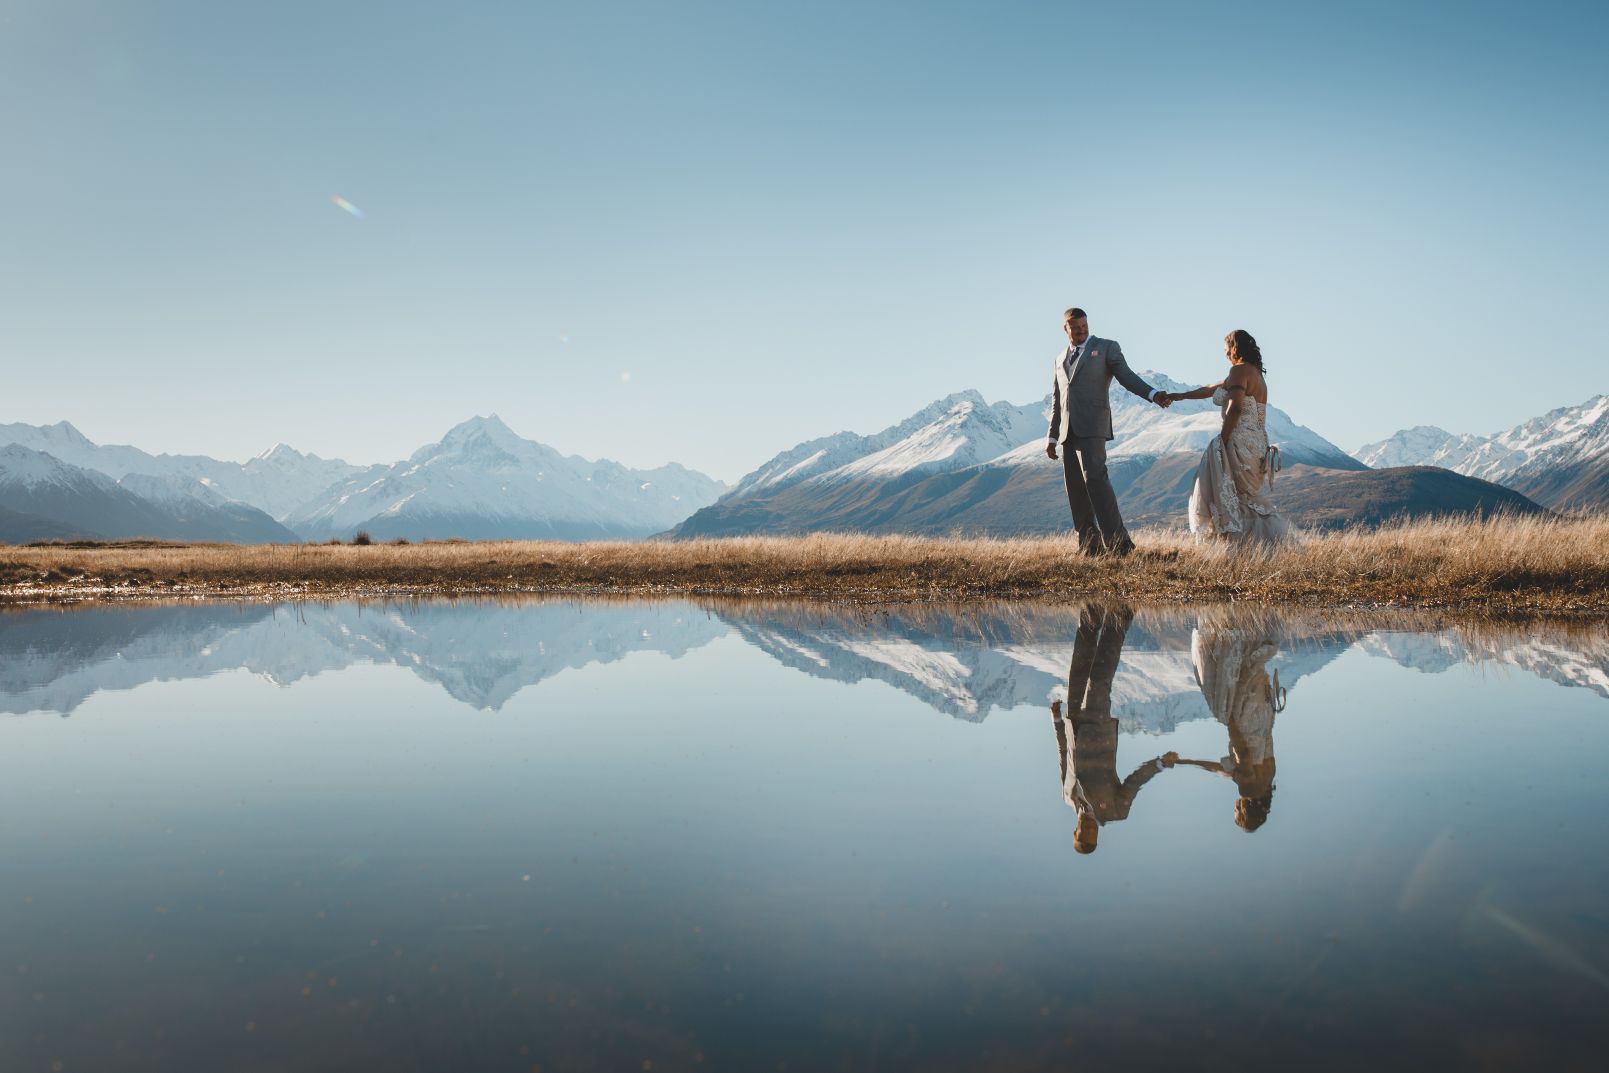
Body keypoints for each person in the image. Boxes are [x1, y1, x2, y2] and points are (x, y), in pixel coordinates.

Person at [1049, 605, 1178, 854]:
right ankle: (1121, 611)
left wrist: (1056, 721)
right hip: (1098, 727)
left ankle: (1093, 609)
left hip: (1073, 723)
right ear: (1097, 836)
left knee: (1079, 666)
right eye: (1092, 836)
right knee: (1099, 678)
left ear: (1075, 831)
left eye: (1082, 834)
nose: (1088, 831)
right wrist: (1160, 763)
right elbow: (1135, 781)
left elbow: (1063, 757)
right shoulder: (1117, 811)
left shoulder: (1068, 798)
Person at [1046, 308, 1172, 556]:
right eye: (1076, 327)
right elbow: (1057, 399)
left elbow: (1126, 376)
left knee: (1096, 480)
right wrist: (1052, 436)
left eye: (1084, 326)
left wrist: (1153, 394)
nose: (1081, 330)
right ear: (1065, 329)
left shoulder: (1106, 348)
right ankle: (1089, 547)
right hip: (1067, 433)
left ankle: (1119, 544)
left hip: (1093, 425)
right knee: (1075, 488)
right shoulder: (1059, 359)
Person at [1158, 329, 1297, 547]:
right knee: (1244, 497)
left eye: (1226, 349)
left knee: (1234, 494)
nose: (1225, 354)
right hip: (1258, 443)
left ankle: (1244, 548)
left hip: (1239, 441)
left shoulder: (1239, 371)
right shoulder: (1256, 375)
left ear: (1234, 348)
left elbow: (1235, 409)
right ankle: (1260, 548)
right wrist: (1181, 396)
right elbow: (1210, 389)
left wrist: (1222, 441)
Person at [1170, 620, 1287, 832]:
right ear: (1244, 811)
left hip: (1263, 716)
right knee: (1231, 676)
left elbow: (1220, 770)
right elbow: (1243, 753)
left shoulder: (1269, 778)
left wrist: (1185, 762)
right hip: (1245, 722)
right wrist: (1229, 718)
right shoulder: (1248, 787)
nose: (1233, 808)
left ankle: (1248, 622)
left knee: (1251, 669)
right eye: (1236, 813)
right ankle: (1232, 625)